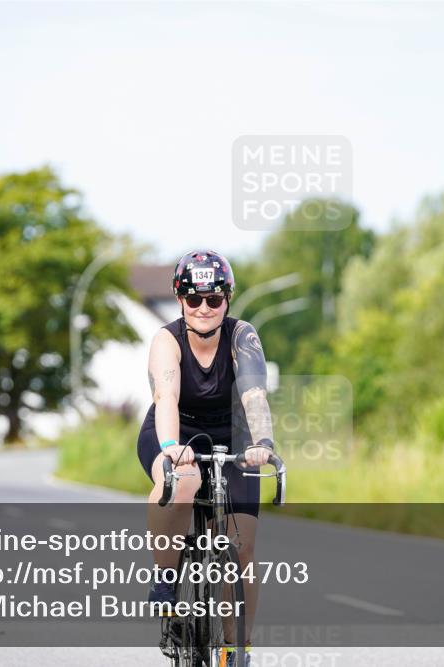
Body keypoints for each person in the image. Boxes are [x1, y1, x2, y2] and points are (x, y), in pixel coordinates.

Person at [139, 250, 275, 666]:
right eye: (193, 298)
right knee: (182, 481)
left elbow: (253, 393)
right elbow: (166, 396)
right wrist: (170, 447)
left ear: (227, 299)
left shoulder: (242, 336)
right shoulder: (167, 340)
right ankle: (167, 580)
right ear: (180, 299)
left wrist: (263, 442)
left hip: (233, 436)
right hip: (175, 431)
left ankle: (237, 648)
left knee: (242, 547)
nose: (203, 308)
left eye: (213, 299)